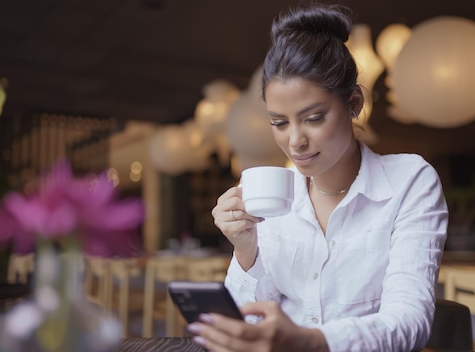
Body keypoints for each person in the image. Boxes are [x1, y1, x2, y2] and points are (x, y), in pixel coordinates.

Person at [188, 2, 448, 351]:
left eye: (313, 118)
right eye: (279, 123)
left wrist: (309, 341)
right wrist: (246, 251)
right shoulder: (275, 196)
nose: (295, 141)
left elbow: (408, 323)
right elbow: (241, 329)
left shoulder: (409, 181)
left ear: (354, 103)